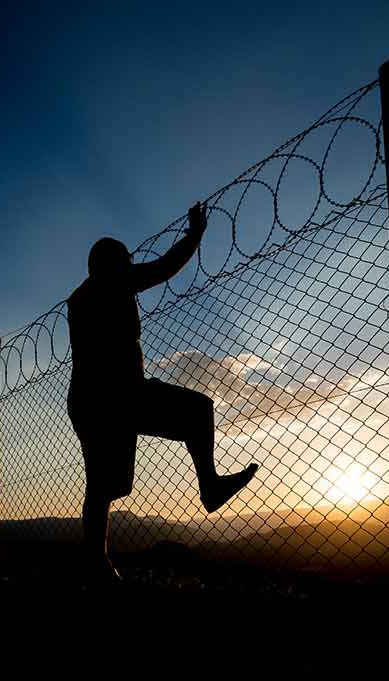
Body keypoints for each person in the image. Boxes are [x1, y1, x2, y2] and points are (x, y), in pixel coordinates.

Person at [66, 201, 259, 582]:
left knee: (108, 485)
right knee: (198, 409)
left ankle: (95, 562)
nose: (129, 263)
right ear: (110, 263)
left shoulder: (80, 297)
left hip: (90, 400)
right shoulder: (113, 282)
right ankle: (210, 487)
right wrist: (196, 233)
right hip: (118, 395)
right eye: (124, 258)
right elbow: (165, 267)